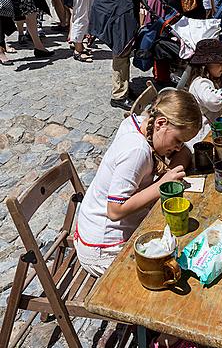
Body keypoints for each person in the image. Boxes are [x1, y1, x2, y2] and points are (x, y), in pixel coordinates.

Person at [74, 89, 202, 276]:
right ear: (160, 123)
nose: (177, 147)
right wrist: (162, 185)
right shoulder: (136, 151)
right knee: (177, 269)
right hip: (103, 248)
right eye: (177, 140)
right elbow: (115, 211)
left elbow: (184, 153)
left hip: (99, 232)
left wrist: (171, 169)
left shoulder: (137, 124)